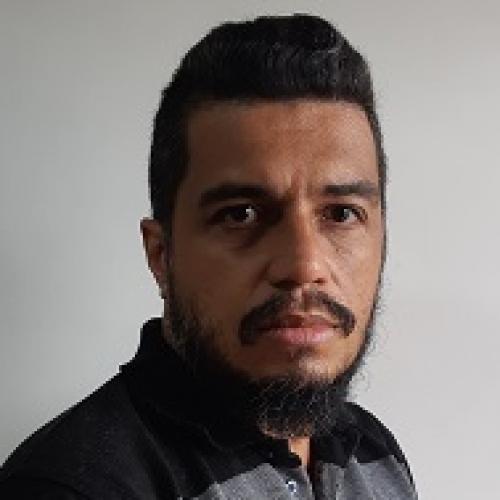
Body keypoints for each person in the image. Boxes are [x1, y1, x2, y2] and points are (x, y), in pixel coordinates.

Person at [0, 14, 417, 499]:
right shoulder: (74, 486)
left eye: (342, 214)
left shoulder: (374, 450)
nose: (304, 265)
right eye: (240, 214)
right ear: (162, 254)